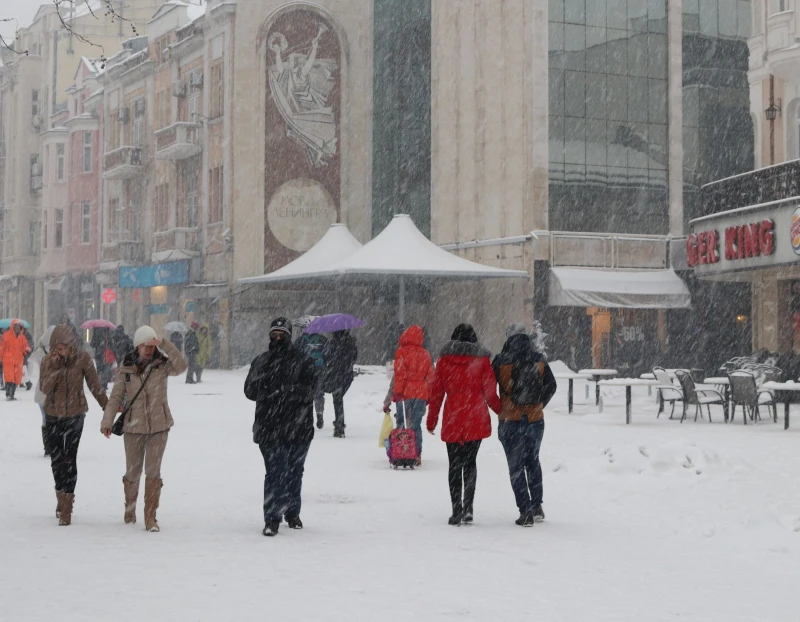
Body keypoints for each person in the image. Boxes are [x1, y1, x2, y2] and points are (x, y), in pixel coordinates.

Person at [100, 326, 187, 532]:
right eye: (144, 345)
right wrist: (107, 421)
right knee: (133, 471)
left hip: (159, 425)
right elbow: (115, 397)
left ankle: (150, 517)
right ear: (137, 346)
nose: (148, 349)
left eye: (151, 345)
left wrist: (165, 344)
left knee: (153, 472)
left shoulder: (162, 365)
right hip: (133, 426)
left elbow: (182, 366)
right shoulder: (127, 368)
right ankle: (130, 508)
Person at [244, 317, 317, 537]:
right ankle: (272, 518)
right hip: (269, 428)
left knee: (295, 472)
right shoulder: (261, 361)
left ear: (289, 335)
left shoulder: (304, 361)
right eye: (274, 334)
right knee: (275, 473)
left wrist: (289, 392)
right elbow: (249, 390)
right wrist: (267, 385)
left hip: (298, 428)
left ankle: (292, 513)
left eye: (281, 334)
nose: (277, 338)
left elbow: (311, 390)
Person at [427, 324, 501, 526]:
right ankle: (468, 507)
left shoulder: (443, 362)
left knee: (454, 465)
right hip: (475, 418)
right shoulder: (482, 361)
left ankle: (456, 510)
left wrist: (431, 420)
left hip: (453, 418)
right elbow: (490, 393)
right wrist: (501, 412)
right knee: (470, 463)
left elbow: (436, 394)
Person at [40, 324, 108, 526]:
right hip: (53, 415)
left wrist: (108, 408)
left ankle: (67, 507)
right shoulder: (47, 361)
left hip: (75, 415)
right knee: (56, 459)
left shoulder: (83, 359)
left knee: (69, 459)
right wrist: (55, 368)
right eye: (59, 348)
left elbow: (95, 386)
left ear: (72, 345)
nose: (63, 352)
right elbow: (44, 388)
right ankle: (60, 497)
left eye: (66, 348)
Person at [492, 323, 557, 526]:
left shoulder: (500, 361)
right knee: (533, 461)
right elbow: (552, 386)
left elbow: (488, 388)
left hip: (510, 421)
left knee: (516, 467)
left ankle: (525, 510)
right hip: (535, 421)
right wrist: (539, 404)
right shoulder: (538, 358)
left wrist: (501, 408)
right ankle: (537, 506)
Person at [386, 325, 433, 465]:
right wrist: (428, 395)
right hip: (420, 394)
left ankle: (402, 451)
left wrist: (398, 393)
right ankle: (417, 454)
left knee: (401, 422)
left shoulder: (401, 352)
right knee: (416, 424)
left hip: (405, 393)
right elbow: (431, 378)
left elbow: (400, 375)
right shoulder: (425, 354)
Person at [321, 330, 358, 438]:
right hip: (347, 375)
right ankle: (339, 424)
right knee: (339, 399)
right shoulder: (351, 343)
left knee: (337, 399)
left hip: (335, 374)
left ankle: (339, 426)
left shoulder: (332, 343)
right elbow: (354, 357)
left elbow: (325, 357)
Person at [297, 328, 327, 428]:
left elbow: (296, 355)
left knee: (306, 393)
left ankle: (305, 417)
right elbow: (328, 354)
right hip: (320, 369)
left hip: (305, 370)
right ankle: (319, 412)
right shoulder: (322, 339)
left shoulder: (301, 340)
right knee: (319, 393)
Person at [33, 326, 56, 457]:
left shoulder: (40, 352)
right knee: (52, 419)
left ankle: (48, 446)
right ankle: (51, 446)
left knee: (45, 419)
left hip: (42, 392)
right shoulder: (54, 354)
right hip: (50, 392)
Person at [1, 320, 31, 400]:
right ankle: (9, 393)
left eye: (19, 327)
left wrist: (27, 350)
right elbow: (2, 347)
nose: (17, 328)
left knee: (16, 377)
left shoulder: (22, 337)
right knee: (9, 377)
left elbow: (25, 346)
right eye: (16, 327)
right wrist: (1, 358)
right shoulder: (6, 336)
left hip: (18, 360)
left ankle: (12, 393)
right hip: (8, 360)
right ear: (13, 327)